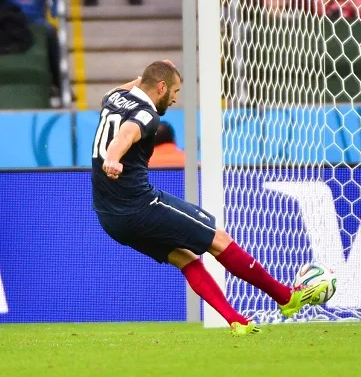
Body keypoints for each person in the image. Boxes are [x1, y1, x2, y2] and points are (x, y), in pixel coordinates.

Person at [92, 60, 328, 335]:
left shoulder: (113, 98)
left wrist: (152, 73)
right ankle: (286, 298)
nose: (175, 99)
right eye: (175, 91)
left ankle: (235, 320)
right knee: (219, 239)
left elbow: (137, 86)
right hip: (140, 206)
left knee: (186, 258)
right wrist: (112, 157)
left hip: (109, 217)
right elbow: (124, 136)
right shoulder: (147, 115)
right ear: (161, 87)